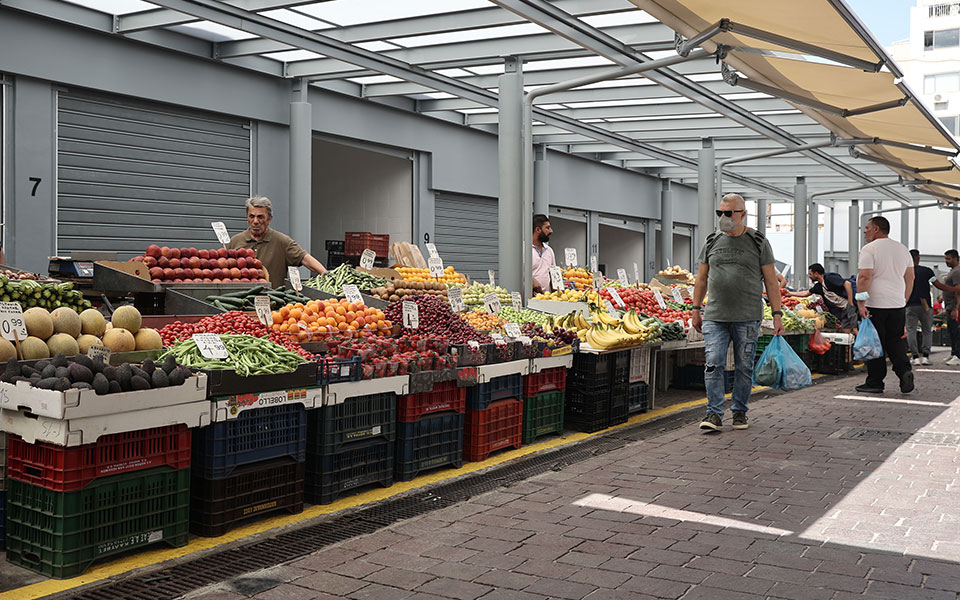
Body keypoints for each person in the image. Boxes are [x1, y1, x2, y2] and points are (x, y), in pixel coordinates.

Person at [692, 193, 784, 433]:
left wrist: (777, 314)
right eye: (720, 212)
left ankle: (740, 411)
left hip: (747, 317)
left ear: (743, 214)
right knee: (713, 363)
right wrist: (695, 309)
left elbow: (771, 282)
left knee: (744, 366)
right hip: (715, 316)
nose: (724, 217)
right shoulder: (711, 241)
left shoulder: (758, 242)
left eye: (729, 213)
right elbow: (701, 279)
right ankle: (713, 414)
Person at [854, 216, 914, 394]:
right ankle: (904, 371)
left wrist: (860, 302)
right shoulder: (903, 249)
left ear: (876, 229)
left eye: (867, 227)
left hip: (875, 303)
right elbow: (910, 278)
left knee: (874, 343)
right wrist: (903, 299)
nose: (864, 231)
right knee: (895, 341)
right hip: (897, 304)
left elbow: (865, 277)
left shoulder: (869, 249)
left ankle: (875, 382)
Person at [228, 196, 326, 289]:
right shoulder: (236, 241)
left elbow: (305, 259)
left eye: (260, 217)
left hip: (273, 302)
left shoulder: (282, 241)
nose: (255, 221)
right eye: (251, 216)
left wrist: (328, 276)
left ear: (269, 219)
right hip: (241, 301)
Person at [787, 263, 858, 332]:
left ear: (816, 274)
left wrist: (850, 302)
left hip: (848, 305)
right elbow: (806, 293)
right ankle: (850, 343)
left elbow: (847, 284)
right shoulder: (819, 286)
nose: (809, 276)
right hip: (842, 310)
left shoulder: (830, 278)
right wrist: (789, 293)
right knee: (846, 330)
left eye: (810, 274)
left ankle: (863, 343)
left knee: (855, 328)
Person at [905, 250, 935, 365]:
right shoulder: (927, 271)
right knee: (927, 330)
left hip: (910, 304)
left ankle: (915, 357)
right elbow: (936, 284)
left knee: (911, 330)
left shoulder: (905, 271)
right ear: (918, 258)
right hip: (925, 304)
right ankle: (926, 357)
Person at [933, 249, 960, 365]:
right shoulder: (953, 271)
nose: (946, 261)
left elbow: (958, 291)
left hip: (954, 307)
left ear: (955, 258)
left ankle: (957, 356)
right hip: (949, 306)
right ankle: (954, 353)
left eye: (948, 259)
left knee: (956, 332)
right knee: (951, 331)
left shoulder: (957, 272)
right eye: (945, 258)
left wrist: (956, 308)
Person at [531, 214, 556, 294]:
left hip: (545, 299)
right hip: (527, 300)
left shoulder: (549, 250)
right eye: (547, 228)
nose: (551, 231)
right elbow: (519, 273)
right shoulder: (524, 250)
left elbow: (553, 275)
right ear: (538, 229)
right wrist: (532, 280)